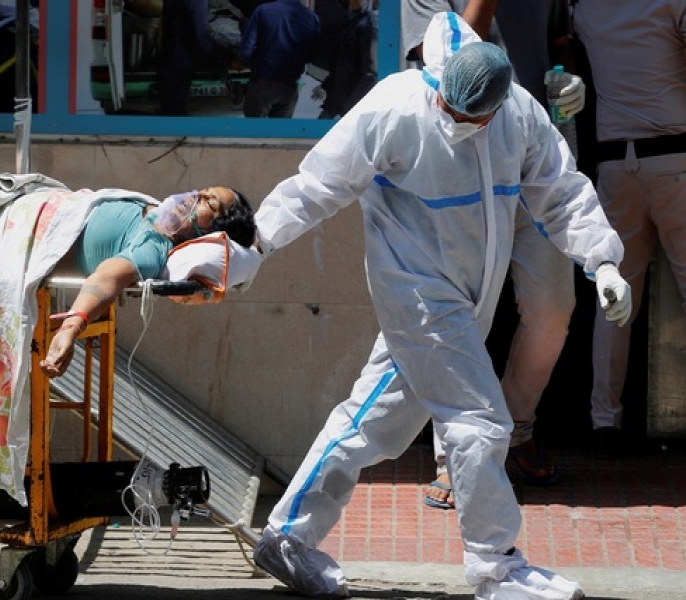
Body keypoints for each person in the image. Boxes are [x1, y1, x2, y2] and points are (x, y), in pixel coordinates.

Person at [248, 12, 630, 599]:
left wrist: (602, 260)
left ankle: (285, 535)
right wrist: (253, 246)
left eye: (472, 117)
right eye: (450, 110)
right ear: (435, 80)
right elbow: (315, 187)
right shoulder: (393, 109)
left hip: (467, 300)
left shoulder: (519, 114)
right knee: (479, 419)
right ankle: (495, 566)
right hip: (417, 295)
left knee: (372, 421)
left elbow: (561, 191)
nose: (458, 123)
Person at [402, 0, 587, 509]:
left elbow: (557, 47)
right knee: (456, 311)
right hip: (460, 159)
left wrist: (567, 83)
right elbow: (446, 63)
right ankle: (458, 455)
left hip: (534, 154)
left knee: (553, 310)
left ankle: (516, 424)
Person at [571, 0, 686, 459]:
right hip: (675, 158)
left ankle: (605, 421)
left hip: (616, 164)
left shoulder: (587, 11)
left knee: (615, 298)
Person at [40, 187, 256, 378]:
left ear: (210, 231)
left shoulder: (152, 249)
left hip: (34, 223)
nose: (195, 196)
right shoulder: (154, 213)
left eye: (208, 202)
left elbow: (107, 277)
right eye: (202, 191)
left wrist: (70, 328)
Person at [237, 0, 321, 118]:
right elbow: (313, 55)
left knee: (254, 132)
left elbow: (246, 50)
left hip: (262, 83)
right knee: (280, 133)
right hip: (290, 86)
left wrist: (251, 63)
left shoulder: (263, 11)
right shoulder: (311, 17)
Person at [157, 0, 230, 116]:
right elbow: (202, 39)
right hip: (181, 63)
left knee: (170, 113)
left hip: (170, 60)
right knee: (175, 115)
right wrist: (229, 58)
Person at [313, 0, 378, 120]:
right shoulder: (351, 23)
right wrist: (326, 85)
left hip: (346, 105)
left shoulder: (365, 25)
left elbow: (369, 74)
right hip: (336, 102)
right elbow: (341, 64)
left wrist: (347, 110)